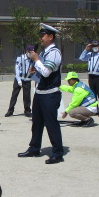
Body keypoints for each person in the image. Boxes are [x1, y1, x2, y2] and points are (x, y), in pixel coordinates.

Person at [18, 23, 65, 164]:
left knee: (51, 124)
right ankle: (34, 148)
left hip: (50, 94)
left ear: (51, 37)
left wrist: (36, 60)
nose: (40, 39)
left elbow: (46, 72)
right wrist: (33, 71)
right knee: (36, 123)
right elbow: (40, 72)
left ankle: (58, 153)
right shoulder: (44, 52)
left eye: (42, 36)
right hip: (40, 92)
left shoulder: (54, 53)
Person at [79, 40, 99, 117]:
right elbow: (81, 58)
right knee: (93, 94)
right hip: (91, 76)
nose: (94, 48)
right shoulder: (90, 54)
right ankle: (95, 109)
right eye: (93, 46)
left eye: (96, 46)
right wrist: (86, 49)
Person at [5, 45, 34, 118]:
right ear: (26, 51)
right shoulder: (20, 58)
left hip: (27, 80)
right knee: (14, 95)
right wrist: (18, 80)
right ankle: (10, 111)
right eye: (30, 52)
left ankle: (27, 111)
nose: (31, 53)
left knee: (27, 96)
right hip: (19, 79)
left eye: (32, 52)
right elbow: (17, 69)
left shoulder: (32, 59)